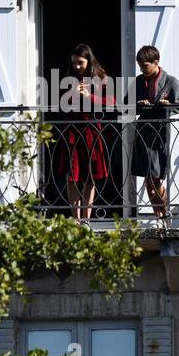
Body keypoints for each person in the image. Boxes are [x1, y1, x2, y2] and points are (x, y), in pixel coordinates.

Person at [54, 43, 116, 222]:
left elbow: (111, 102)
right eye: (74, 63)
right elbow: (59, 103)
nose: (77, 67)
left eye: (80, 62)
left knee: (90, 177)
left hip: (91, 132)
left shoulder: (101, 77)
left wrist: (90, 97)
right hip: (72, 132)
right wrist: (72, 94)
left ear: (89, 60)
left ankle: (86, 220)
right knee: (72, 178)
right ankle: (76, 220)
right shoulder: (68, 79)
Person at [130, 45, 179, 223]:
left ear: (156, 62)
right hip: (143, 132)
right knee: (149, 177)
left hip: (160, 134)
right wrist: (138, 104)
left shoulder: (170, 81)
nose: (141, 69)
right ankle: (160, 217)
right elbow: (126, 103)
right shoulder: (139, 81)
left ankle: (163, 215)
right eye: (140, 66)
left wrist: (167, 106)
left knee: (155, 176)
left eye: (145, 65)